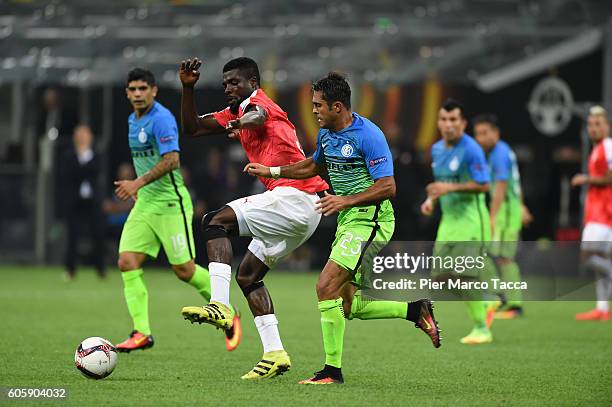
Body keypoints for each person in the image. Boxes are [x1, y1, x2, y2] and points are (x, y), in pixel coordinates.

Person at [245, 72, 441, 385]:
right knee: (350, 306)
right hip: (350, 219)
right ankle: (415, 310)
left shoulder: (369, 135)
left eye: (318, 105)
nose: (313, 111)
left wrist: (345, 201)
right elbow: (313, 165)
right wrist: (272, 170)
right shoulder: (326, 134)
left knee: (325, 287)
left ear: (338, 106)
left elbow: (388, 186)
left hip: (371, 220)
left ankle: (331, 373)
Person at [178, 57, 329, 379]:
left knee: (214, 222)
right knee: (248, 276)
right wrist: (187, 89)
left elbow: (257, 116)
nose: (228, 88)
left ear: (253, 83)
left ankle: (219, 305)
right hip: (303, 209)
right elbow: (192, 128)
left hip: (293, 198)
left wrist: (239, 124)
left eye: (235, 82)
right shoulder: (236, 112)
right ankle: (274, 352)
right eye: (225, 84)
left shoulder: (259, 104)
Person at [114, 68, 212, 352]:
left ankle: (226, 308)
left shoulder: (162, 119)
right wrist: (139, 190)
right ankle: (141, 332)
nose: (137, 94)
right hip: (145, 203)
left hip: (171, 204)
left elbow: (172, 160)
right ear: (127, 93)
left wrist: (137, 183)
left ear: (153, 91)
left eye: (143, 88)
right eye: (132, 89)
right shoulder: (133, 119)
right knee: (126, 262)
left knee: (184, 270)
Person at [420, 99, 497, 344]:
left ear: (462, 123)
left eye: (454, 120)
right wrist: (431, 200)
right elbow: (441, 186)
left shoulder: (471, 149)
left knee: (465, 274)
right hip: (449, 222)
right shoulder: (437, 149)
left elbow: (484, 185)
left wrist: (447, 188)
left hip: (472, 221)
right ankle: (485, 298)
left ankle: (481, 328)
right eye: (444, 119)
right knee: (439, 277)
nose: (448, 125)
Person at [474, 114, 533, 318]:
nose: (481, 138)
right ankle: (499, 297)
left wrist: (492, 216)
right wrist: (523, 206)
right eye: (478, 134)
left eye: (485, 133)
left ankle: (514, 305)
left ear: (495, 133)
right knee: (486, 252)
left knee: (505, 258)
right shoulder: (498, 152)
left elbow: (501, 186)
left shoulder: (499, 153)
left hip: (505, 212)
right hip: (509, 208)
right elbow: (516, 183)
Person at [572, 105, 612, 321]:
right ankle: (602, 309)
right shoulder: (598, 149)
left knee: (587, 257)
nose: (593, 128)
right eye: (590, 125)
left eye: (598, 124)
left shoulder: (608, 146)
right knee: (602, 262)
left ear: (607, 126)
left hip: (603, 214)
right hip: (600, 214)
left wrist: (586, 179)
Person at [59, 124, 106, 280]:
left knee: (97, 234)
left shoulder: (97, 155)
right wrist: (86, 170)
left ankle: (101, 268)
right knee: (73, 235)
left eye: (85, 134)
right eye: (79, 134)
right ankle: (70, 269)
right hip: (74, 201)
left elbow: (95, 171)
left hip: (93, 200)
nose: (82, 138)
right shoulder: (68, 156)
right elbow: (69, 174)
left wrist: (82, 170)